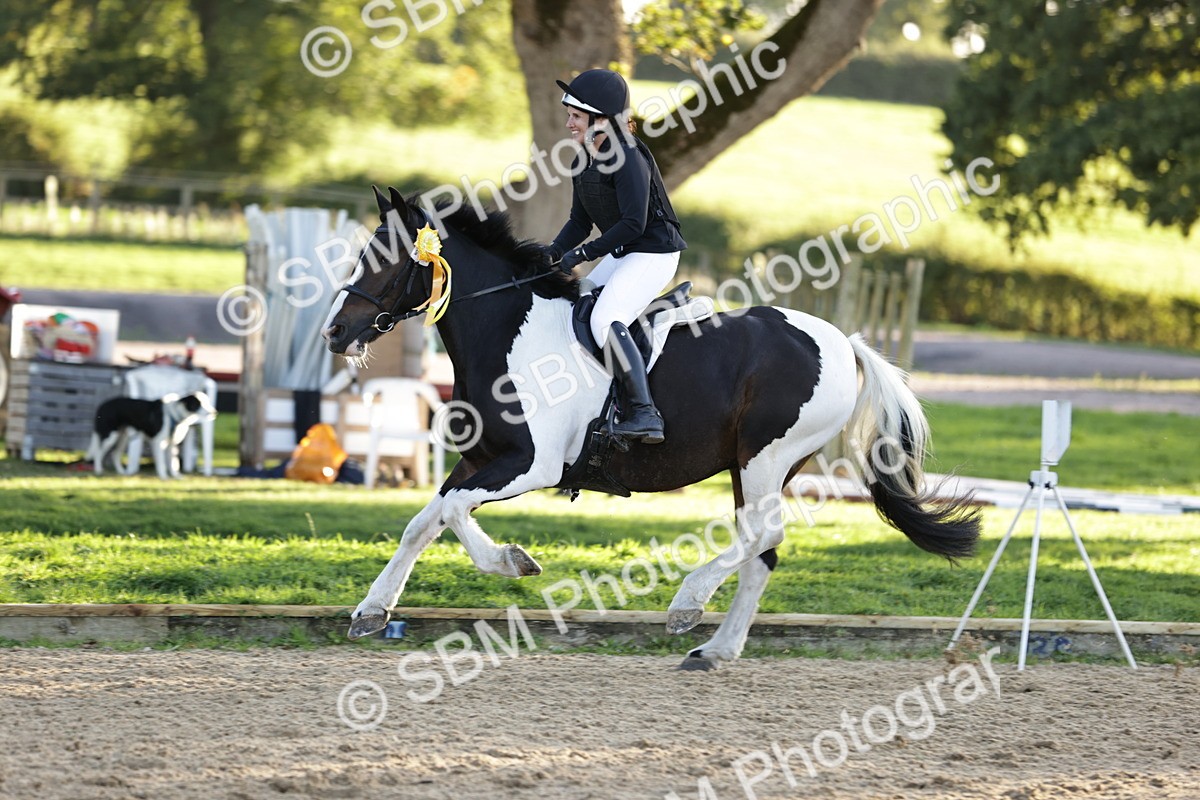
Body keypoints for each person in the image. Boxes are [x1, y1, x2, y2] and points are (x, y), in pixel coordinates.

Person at [547, 68, 687, 445]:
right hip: (628, 252)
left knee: (606, 317)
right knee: (579, 304)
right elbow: (579, 221)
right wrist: (553, 252)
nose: (568, 123)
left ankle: (644, 412)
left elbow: (633, 224)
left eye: (576, 116)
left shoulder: (627, 156)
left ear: (600, 118)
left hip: (654, 252)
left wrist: (581, 255)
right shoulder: (583, 157)